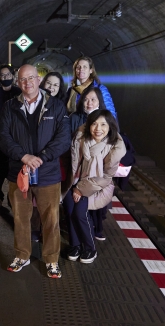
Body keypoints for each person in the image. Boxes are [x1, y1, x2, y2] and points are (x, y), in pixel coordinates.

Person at [0, 65, 70, 278]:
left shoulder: (56, 107)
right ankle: (22, 255)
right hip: (18, 173)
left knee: (50, 219)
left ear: (39, 81)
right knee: (20, 217)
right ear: (18, 83)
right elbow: (3, 137)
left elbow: (63, 138)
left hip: (47, 173)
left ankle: (51, 259)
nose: (27, 83)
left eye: (31, 78)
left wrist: (42, 157)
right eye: (22, 79)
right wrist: (24, 157)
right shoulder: (9, 107)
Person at [66, 110, 126, 264]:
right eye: (94, 123)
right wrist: (73, 185)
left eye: (103, 124)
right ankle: (75, 245)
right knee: (69, 207)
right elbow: (74, 163)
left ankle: (90, 248)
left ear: (110, 127)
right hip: (76, 181)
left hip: (97, 187)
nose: (98, 128)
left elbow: (105, 177)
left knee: (80, 212)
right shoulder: (81, 138)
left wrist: (80, 189)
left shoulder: (115, 147)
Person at [65, 86, 108, 241]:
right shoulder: (74, 118)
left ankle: (90, 241)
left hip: (97, 173)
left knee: (89, 208)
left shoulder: (106, 119)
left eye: (93, 99)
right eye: (86, 99)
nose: (89, 103)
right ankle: (77, 243)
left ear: (99, 101)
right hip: (76, 170)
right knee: (74, 208)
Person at [31, 71, 68, 241]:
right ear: (42, 83)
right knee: (33, 195)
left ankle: (47, 232)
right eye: (49, 83)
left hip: (53, 158)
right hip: (33, 157)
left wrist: (46, 154)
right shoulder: (33, 102)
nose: (51, 87)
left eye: (56, 85)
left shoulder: (60, 107)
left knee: (48, 198)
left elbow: (62, 137)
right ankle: (34, 228)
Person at [0, 64, 21, 211]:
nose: (6, 77)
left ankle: (12, 196)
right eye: (2, 75)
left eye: (8, 75)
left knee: (15, 169)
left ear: (12, 76)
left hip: (16, 139)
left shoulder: (19, 92)